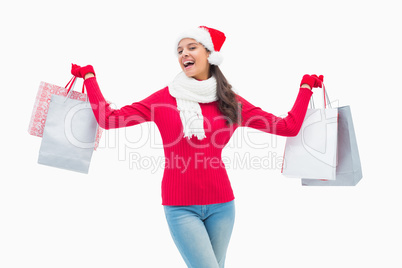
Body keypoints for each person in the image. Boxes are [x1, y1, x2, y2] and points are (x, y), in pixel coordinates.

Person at [71, 25, 323, 268]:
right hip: (180, 207)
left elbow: (287, 127)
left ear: (210, 55)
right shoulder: (162, 99)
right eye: (179, 50)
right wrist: (91, 78)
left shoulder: (230, 102)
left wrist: (305, 89)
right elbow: (110, 120)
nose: (184, 54)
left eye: (191, 47)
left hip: (223, 205)